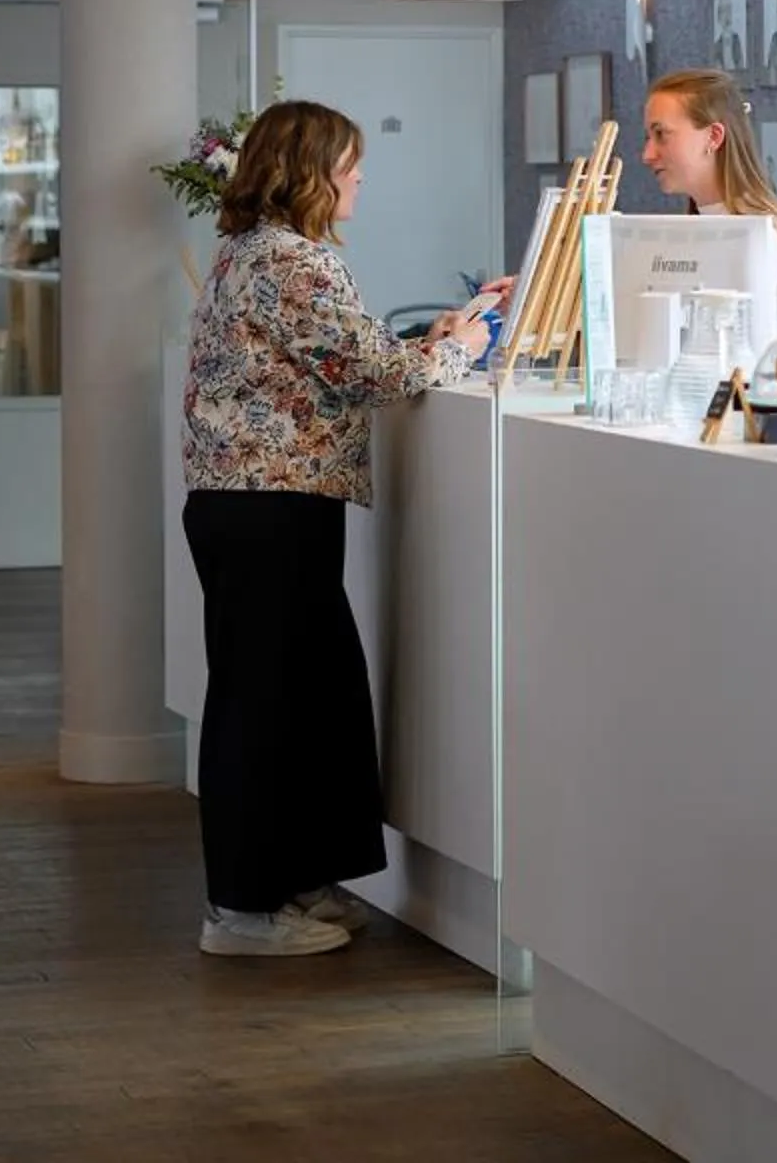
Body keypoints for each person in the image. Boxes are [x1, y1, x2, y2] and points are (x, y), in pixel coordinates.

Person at [178, 99, 492, 959]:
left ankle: (296, 879)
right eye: (348, 164)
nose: (360, 178)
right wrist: (464, 339)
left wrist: (435, 339)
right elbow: (382, 375)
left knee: (304, 694)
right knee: (263, 703)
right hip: (267, 508)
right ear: (306, 172)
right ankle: (242, 910)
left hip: (255, 505)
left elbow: (344, 358)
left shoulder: (247, 251)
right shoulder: (291, 260)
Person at [637, 68, 777, 337]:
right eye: (648, 137)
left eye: (661, 135)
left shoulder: (758, 235)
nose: (647, 155)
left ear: (714, 137)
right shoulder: (712, 224)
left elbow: (736, 358)